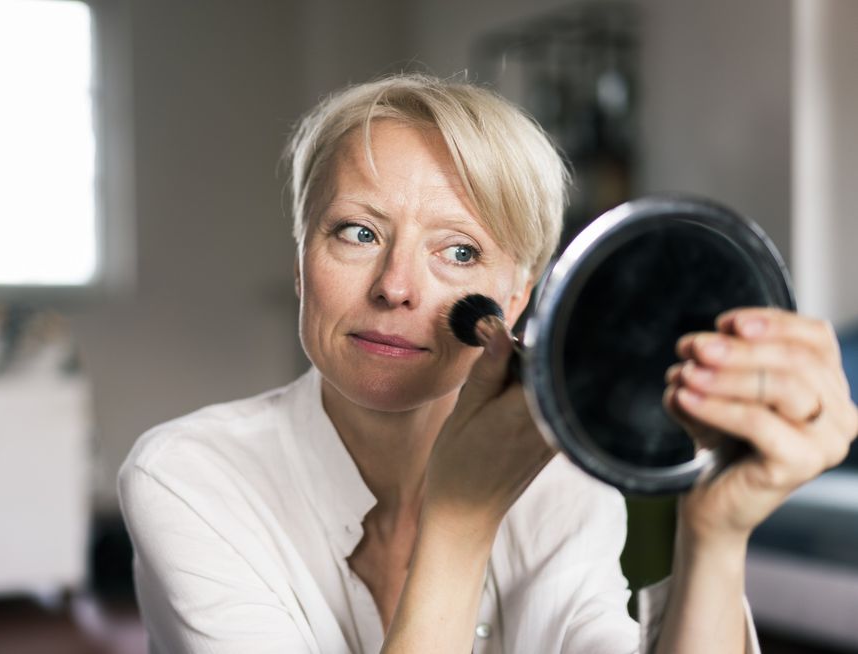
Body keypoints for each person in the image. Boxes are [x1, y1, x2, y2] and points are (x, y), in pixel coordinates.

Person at [118, 73, 858, 654]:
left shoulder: (564, 481)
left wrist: (716, 533)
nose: (396, 286)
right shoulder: (187, 478)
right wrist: (461, 523)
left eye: (460, 250)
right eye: (356, 232)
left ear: (519, 293)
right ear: (300, 261)